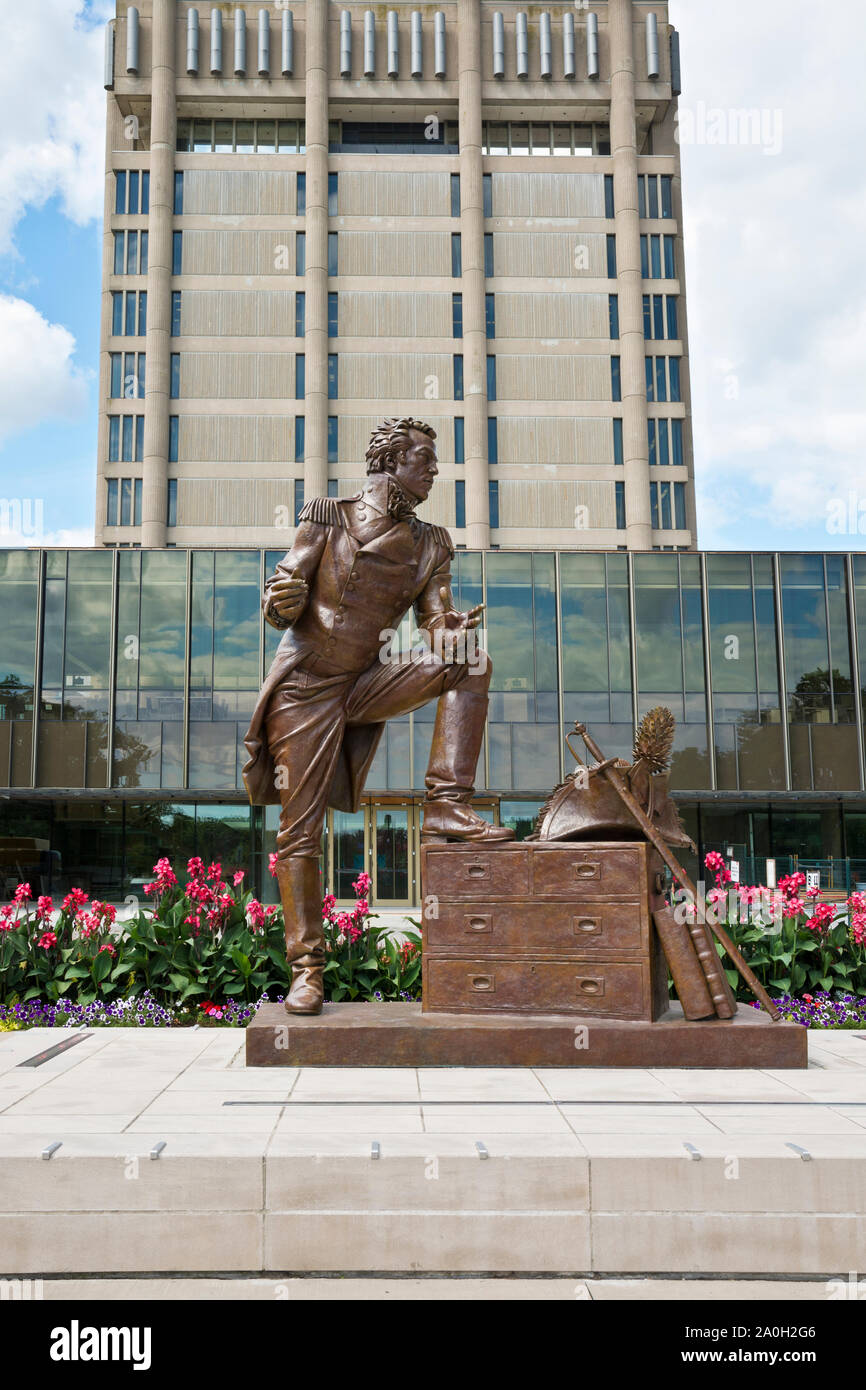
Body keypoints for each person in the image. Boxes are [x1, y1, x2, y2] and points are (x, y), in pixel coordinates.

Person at [243, 417, 513, 1014]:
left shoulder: (432, 543)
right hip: (309, 686)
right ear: (390, 461)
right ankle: (307, 968)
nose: (435, 470)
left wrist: (451, 629)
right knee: (299, 830)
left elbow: (434, 618)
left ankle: (447, 802)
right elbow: (284, 588)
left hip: (368, 679)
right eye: (425, 459)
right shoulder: (327, 515)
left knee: (471, 659)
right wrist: (278, 601)